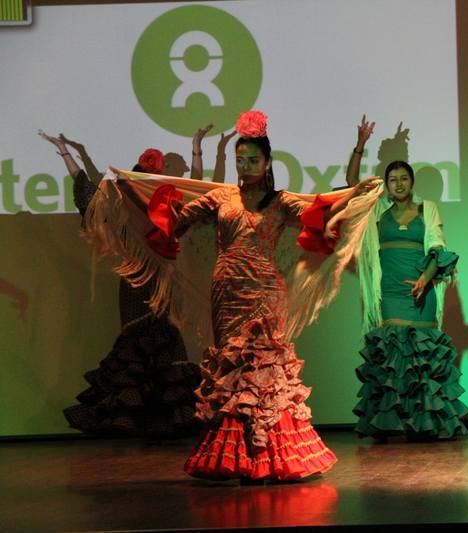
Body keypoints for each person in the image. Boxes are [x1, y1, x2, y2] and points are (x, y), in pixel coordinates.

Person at [86, 110, 381, 482]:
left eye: (252, 160)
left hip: (268, 290)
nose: (245, 167)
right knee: (232, 367)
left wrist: (355, 194)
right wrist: (131, 191)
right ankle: (235, 454)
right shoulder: (221, 196)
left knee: (265, 367)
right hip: (228, 291)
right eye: (240, 160)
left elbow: (317, 212)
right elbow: (175, 221)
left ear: (267, 162)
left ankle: (272, 453)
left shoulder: (281, 202)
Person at [39, 130, 204, 438]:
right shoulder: (120, 215)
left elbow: (195, 190)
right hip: (134, 287)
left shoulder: (168, 212)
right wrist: (66, 153)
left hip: (164, 288)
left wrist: (198, 149)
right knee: (137, 352)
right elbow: (87, 193)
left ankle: (166, 424)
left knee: (167, 349)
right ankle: (140, 424)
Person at [345, 115, 468, 442]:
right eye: (393, 179)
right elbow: (352, 184)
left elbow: (438, 249)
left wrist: (424, 280)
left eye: (403, 179)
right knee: (393, 357)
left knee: (421, 359)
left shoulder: (427, 208)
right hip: (390, 292)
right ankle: (391, 424)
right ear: (386, 185)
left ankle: (423, 425)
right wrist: (360, 146)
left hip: (420, 291)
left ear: (411, 182)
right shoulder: (378, 210)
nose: (398, 184)